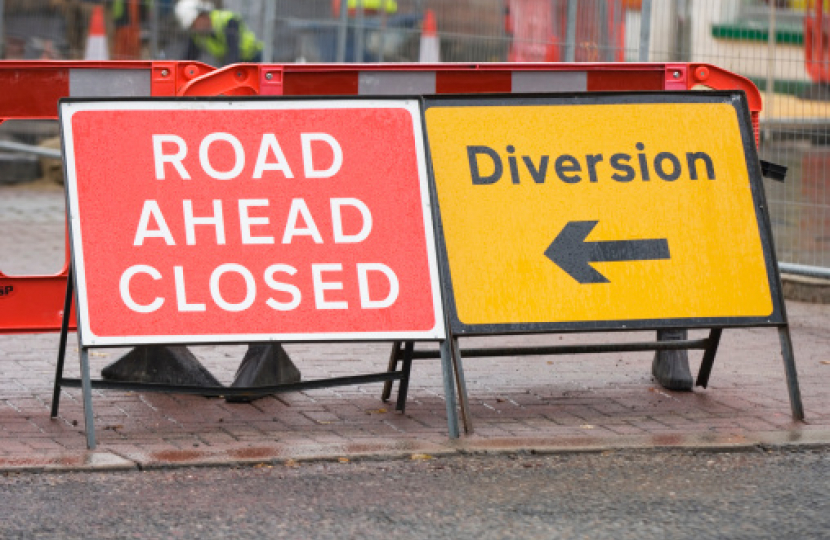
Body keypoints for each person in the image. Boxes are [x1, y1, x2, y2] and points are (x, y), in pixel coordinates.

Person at [175, 0, 262, 65]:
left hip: (254, 57)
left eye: (195, 23)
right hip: (230, 61)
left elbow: (234, 52)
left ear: (202, 15)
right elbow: (189, 57)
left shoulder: (227, 21)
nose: (195, 28)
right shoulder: (198, 35)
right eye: (192, 26)